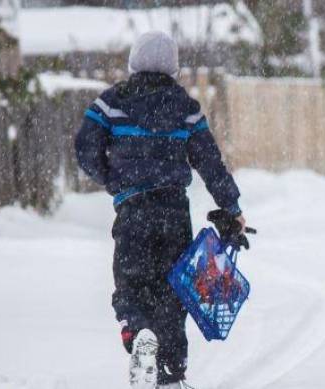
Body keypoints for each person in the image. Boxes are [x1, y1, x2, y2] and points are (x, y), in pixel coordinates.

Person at [74, 31, 245, 389]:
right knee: (173, 290)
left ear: (133, 62)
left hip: (133, 209)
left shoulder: (111, 103)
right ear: (175, 67)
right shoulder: (185, 108)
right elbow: (210, 163)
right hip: (172, 211)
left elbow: (85, 147)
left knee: (132, 282)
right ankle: (170, 373)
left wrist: (113, 179)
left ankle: (137, 335)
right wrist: (231, 207)